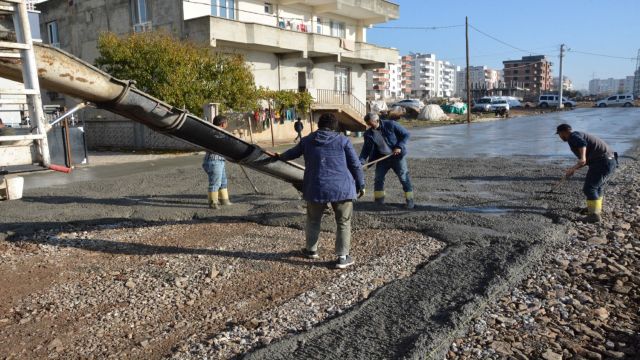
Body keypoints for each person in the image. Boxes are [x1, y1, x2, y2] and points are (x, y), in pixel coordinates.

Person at [278, 113, 365, 269]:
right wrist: (361, 184)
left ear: (319, 125)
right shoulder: (343, 140)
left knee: (313, 219)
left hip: (315, 187)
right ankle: (342, 257)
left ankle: (311, 250)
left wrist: (278, 156)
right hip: (342, 188)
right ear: (335, 126)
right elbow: (356, 165)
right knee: (343, 222)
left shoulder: (307, 140)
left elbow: (291, 154)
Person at [556, 123, 617, 223]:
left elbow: (582, 145)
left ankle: (594, 216)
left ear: (563, 132)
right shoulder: (578, 135)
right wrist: (573, 169)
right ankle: (594, 210)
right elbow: (585, 161)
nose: (560, 137)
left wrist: (583, 158)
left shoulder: (573, 136)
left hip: (602, 162)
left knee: (589, 188)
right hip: (610, 160)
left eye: (559, 134)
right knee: (598, 187)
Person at [359, 112, 414, 209]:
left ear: (377, 120)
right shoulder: (368, 134)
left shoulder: (391, 125)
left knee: (403, 178)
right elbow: (365, 150)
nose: (369, 125)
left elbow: (406, 134)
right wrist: (360, 162)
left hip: (397, 157)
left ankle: (410, 201)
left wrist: (399, 146)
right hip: (382, 158)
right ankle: (379, 201)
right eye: (367, 124)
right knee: (378, 179)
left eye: (370, 123)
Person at [202, 115, 233, 209]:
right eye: (226, 123)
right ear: (223, 124)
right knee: (215, 183)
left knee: (223, 181)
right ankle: (213, 203)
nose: (227, 124)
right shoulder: (216, 133)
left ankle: (224, 199)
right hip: (214, 161)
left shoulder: (217, 132)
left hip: (219, 160)